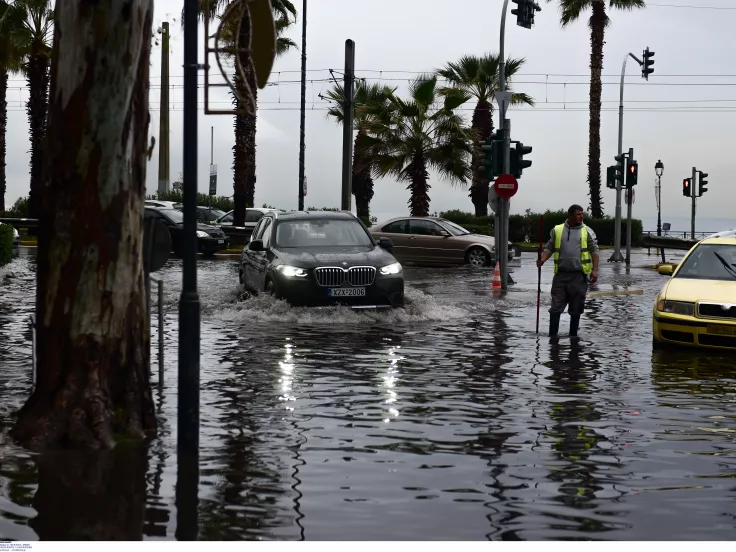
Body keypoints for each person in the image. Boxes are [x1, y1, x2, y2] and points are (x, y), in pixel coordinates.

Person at [536, 204, 600, 337]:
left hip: (578, 276)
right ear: (570, 215)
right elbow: (550, 247)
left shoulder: (587, 231)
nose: (581, 216)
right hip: (560, 276)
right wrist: (543, 259)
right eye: (578, 214)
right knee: (555, 308)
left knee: (576, 308)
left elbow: (595, 250)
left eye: (582, 214)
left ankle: (573, 338)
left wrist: (595, 270)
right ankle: (552, 338)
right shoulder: (557, 230)